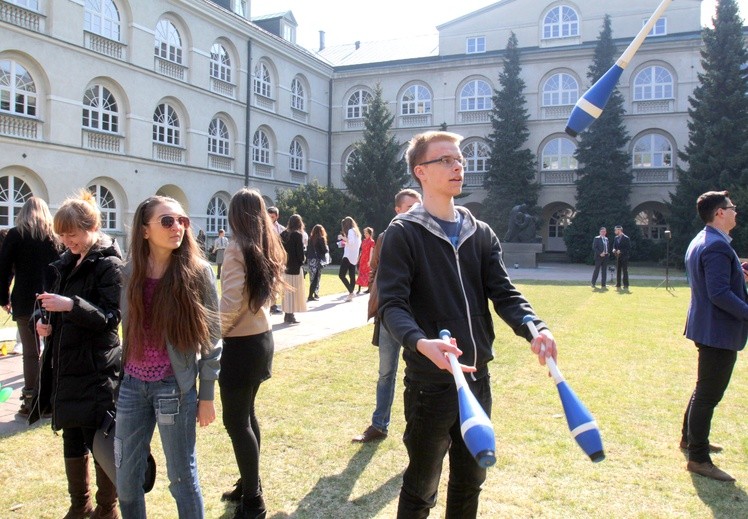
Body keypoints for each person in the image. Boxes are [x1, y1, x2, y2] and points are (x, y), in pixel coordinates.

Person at [376, 131, 557, 517]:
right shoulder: (403, 233)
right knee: (422, 485)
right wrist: (420, 343)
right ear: (420, 171)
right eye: (446, 160)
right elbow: (392, 304)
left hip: (478, 381)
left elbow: (504, 293)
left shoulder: (481, 232)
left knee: (471, 481)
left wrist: (535, 328)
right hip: (430, 384)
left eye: (459, 159)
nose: (459, 165)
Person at [115, 195, 222, 518]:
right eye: (167, 221)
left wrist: (206, 396)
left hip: (174, 389)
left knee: (181, 479)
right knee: (126, 480)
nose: (177, 227)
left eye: (182, 221)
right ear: (145, 230)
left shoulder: (198, 272)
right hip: (132, 387)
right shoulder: (129, 271)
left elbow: (213, 340)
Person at [31, 190, 122, 519]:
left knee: (98, 440)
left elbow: (111, 318)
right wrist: (41, 322)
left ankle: (107, 508)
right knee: (71, 436)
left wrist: (72, 305)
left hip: (97, 368)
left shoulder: (109, 264)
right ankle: (79, 505)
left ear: (92, 227)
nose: (67, 240)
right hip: (66, 367)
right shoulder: (64, 264)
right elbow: (45, 307)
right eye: (63, 235)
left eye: (72, 234)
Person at [219, 188, 287, 518]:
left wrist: (210, 334)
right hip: (261, 340)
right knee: (246, 415)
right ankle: (250, 485)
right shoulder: (264, 246)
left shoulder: (237, 249)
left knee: (236, 421)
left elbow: (231, 304)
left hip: (243, 345)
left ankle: (254, 500)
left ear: (235, 216)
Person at [680, 190, 747, 483]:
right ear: (719, 212)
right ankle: (698, 457)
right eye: (731, 208)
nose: (735, 212)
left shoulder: (704, 240)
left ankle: (689, 440)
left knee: (703, 390)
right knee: (708, 395)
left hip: (707, 327)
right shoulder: (717, 246)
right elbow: (719, 294)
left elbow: (716, 284)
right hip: (718, 330)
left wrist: (738, 273)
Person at [353, 189, 421, 443]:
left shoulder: (427, 236)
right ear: (398, 210)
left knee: (419, 375)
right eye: (411, 207)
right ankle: (379, 425)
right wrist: (377, 296)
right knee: (386, 372)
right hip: (390, 314)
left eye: (419, 206)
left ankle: (419, 430)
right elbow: (375, 269)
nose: (416, 211)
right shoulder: (385, 237)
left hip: (419, 317)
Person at [0, 197, 61, 415]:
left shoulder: (16, 234)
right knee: (52, 348)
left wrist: (3, 297)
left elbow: (3, 268)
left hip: (25, 299)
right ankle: (49, 398)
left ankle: (31, 400)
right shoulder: (53, 236)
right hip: (52, 298)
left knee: (30, 352)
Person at [280, 214, 307, 324]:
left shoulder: (283, 234)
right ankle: (291, 315)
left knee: (286, 292)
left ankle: (287, 314)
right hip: (295, 267)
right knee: (294, 292)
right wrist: (303, 260)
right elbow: (300, 254)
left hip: (285, 266)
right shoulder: (297, 235)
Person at [338, 216, 361, 302]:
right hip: (354, 256)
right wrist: (345, 242)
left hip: (348, 255)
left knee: (341, 275)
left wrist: (342, 237)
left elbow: (350, 242)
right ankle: (351, 294)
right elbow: (354, 244)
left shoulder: (351, 231)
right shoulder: (357, 232)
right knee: (352, 275)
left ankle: (351, 292)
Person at [267, 207, 285, 315]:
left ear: (277, 217)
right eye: (268, 216)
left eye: (272, 217)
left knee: (277, 282)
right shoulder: (264, 228)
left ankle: (273, 305)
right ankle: (268, 305)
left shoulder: (281, 229)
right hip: (268, 257)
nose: (270, 219)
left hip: (278, 258)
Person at [306, 224, 329, 302]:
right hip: (318, 260)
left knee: (312, 278)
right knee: (317, 277)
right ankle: (313, 294)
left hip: (310, 259)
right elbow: (325, 250)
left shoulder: (310, 239)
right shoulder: (321, 238)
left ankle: (312, 294)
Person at [355, 227, 375, 295]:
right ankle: (359, 289)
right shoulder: (363, 241)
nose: (365, 234)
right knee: (360, 273)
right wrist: (358, 258)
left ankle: (369, 289)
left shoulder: (372, 241)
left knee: (367, 274)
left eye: (366, 233)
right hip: (362, 259)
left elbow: (371, 251)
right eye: (364, 233)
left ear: (370, 233)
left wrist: (370, 260)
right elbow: (361, 251)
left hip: (367, 260)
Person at [612, 225, 631, 290]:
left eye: (616, 230)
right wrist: (614, 249)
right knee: (618, 271)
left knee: (625, 271)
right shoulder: (616, 238)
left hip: (624, 257)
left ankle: (626, 284)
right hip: (618, 257)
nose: (615, 231)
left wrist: (621, 251)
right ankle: (618, 284)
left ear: (619, 230)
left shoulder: (626, 238)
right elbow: (614, 246)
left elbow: (628, 248)